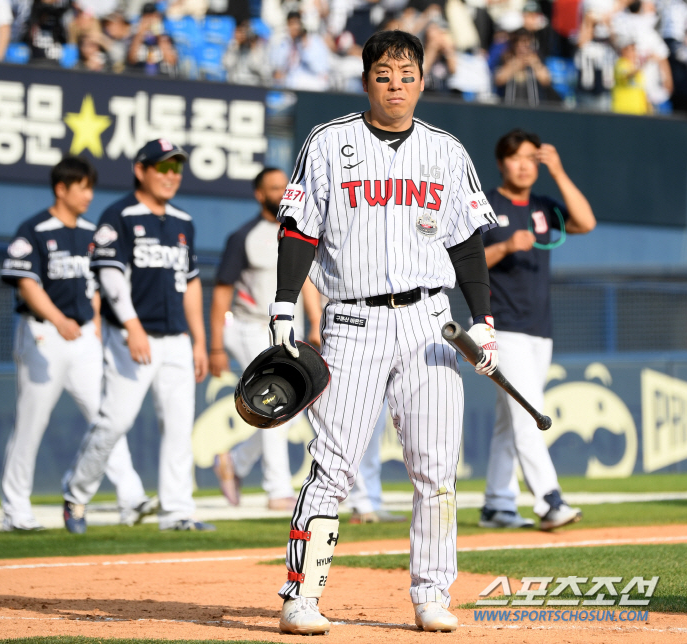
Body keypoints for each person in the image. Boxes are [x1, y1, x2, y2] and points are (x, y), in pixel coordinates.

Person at [269, 29, 500, 635]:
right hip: (351, 321)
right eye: (383, 73)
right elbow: (297, 229)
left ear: (423, 80)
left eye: (406, 74)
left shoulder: (447, 152)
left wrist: (485, 320)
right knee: (332, 467)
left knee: (435, 468)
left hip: (429, 321)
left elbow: (468, 244)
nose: (395, 84)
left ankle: (431, 594)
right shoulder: (328, 142)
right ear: (365, 78)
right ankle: (301, 594)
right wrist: (284, 306)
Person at [61, 139, 213, 533]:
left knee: (180, 427)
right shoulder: (120, 215)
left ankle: (177, 511)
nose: (171, 176)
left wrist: (198, 339)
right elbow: (111, 277)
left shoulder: (183, 221)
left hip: (176, 338)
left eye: (176, 168)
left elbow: (191, 284)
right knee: (115, 421)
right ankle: (76, 495)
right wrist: (132, 326)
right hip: (133, 335)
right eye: (162, 168)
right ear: (140, 170)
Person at [0, 156, 156, 531]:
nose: (88, 194)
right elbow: (26, 282)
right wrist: (57, 319)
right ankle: (16, 509)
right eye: (81, 186)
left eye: (91, 186)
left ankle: (131, 497)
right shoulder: (35, 229)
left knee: (106, 418)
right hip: (43, 335)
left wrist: (97, 324)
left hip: (85, 336)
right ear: (61, 188)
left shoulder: (92, 232)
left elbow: (99, 286)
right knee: (31, 423)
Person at [479, 129, 595, 531]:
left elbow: (586, 222)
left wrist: (559, 172)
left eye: (533, 157)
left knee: (509, 419)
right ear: (501, 162)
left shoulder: (545, 206)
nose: (525, 164)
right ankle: (549, 500)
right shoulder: (487, 205)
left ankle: (496, 503)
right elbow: (464, 263)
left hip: (539, 330)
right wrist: (506, 247)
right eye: (516, 157)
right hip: (502, 327)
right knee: (530, 414)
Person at [209, 167, 322, 511]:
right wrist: (215, 345)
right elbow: (221, 293)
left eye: (284, 186)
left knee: (290, 407)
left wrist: (316, 324)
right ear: (260, 195)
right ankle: (277, 490)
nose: (281, 192)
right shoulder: (244, 236)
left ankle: (236, 463)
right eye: (273, 188)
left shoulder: (298, 230)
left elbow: (306, 283)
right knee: (277, 399)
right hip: (250, 326)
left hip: (288, 329)